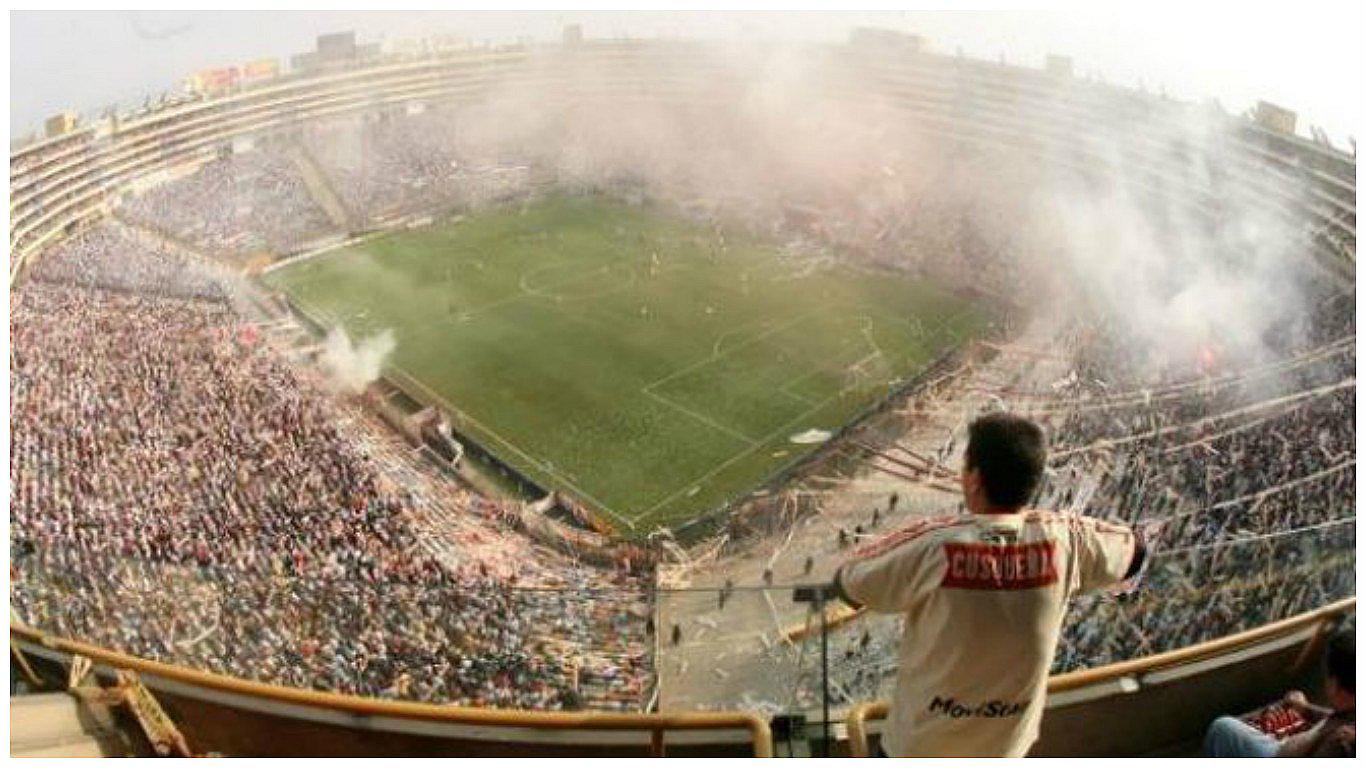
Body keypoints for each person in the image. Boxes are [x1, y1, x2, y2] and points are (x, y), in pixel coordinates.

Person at [833, 413, 1146, 757]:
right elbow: (1135, 550)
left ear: (975, 478)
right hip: (1003, 752)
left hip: (919, 749)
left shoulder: (934, 545)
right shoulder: (1068, 540)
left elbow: (851, 582)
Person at [1203, 630, 1355, 758]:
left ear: (1335, 685)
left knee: (1222, 728)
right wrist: (1307, 709)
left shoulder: (1341, 740)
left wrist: (1306, 737)